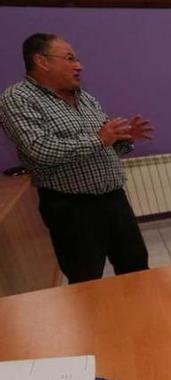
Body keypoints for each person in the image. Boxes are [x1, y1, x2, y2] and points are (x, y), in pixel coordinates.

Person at [0, 33, 153, 284]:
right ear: (42, 61)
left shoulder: (85, 97)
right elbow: (41, 149)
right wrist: (100, 139)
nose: (79, 65)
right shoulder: (18, 99)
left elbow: (105, 145)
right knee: (85, 279)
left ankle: (144, 322)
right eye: (70, 58)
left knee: (136, 267)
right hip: (71, 208)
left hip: (114, 199)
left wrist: (123, 138)